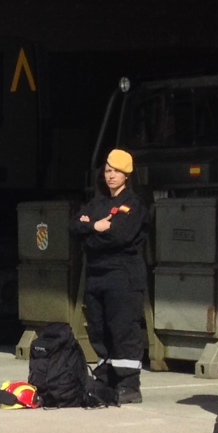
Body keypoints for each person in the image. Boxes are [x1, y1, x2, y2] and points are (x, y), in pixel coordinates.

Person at [72, 148, 149, 404]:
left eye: (116, 171)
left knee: (123, 330)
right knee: (98, 329)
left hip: (123, 277)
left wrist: (90, 235)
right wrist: (95, 226)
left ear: (127, 174)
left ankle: (129, 385)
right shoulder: (97, 204)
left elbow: (120, 236)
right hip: (97, 276)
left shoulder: (133, 205)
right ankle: (105, 378)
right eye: (107, 170)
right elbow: (74, 226)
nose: (110, 175)